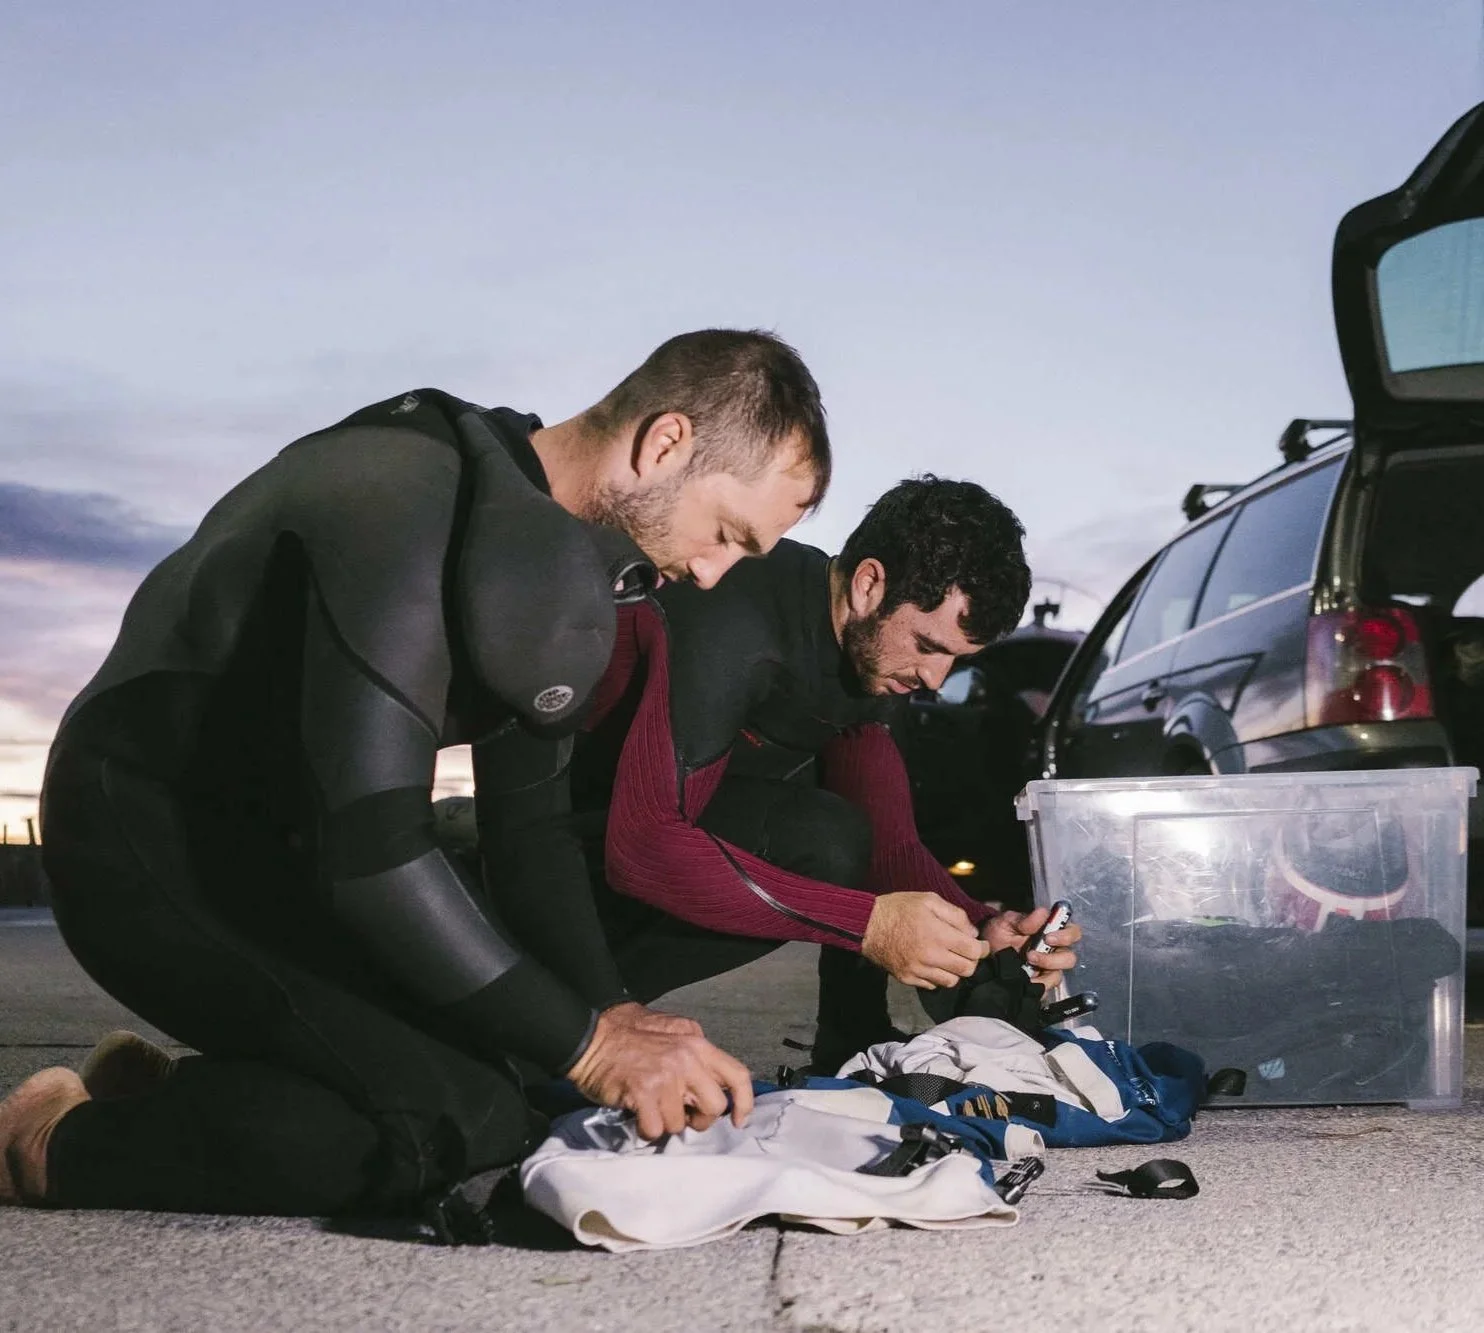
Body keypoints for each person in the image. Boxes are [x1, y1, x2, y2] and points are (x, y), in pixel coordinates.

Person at [0, 329, 830, 1217]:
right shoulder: (401, 489)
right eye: (726, 534)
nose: (711, 574)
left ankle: (170, 1096)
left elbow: (531, 835)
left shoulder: (557, 560)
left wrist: (610, 1017)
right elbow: (375, 849)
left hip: (290, 855)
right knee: (452, 1123)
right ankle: (50, 1145)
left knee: (514, 1075)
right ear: (664, 443)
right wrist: (590, 1047)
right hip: (143, 833)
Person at [554, 476, 1082, 1073]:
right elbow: (643, 845)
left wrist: (981, 926)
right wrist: (867, 925)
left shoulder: (874, 652)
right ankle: (572, 1021)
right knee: (820, 845)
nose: (936, 679)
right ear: (868, 584)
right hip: (559, 858)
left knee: (838, 834)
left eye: (956, 660)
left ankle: (851, 1032)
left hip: (653, 847)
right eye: (929, 645)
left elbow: (889, 847)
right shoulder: (737, 615)